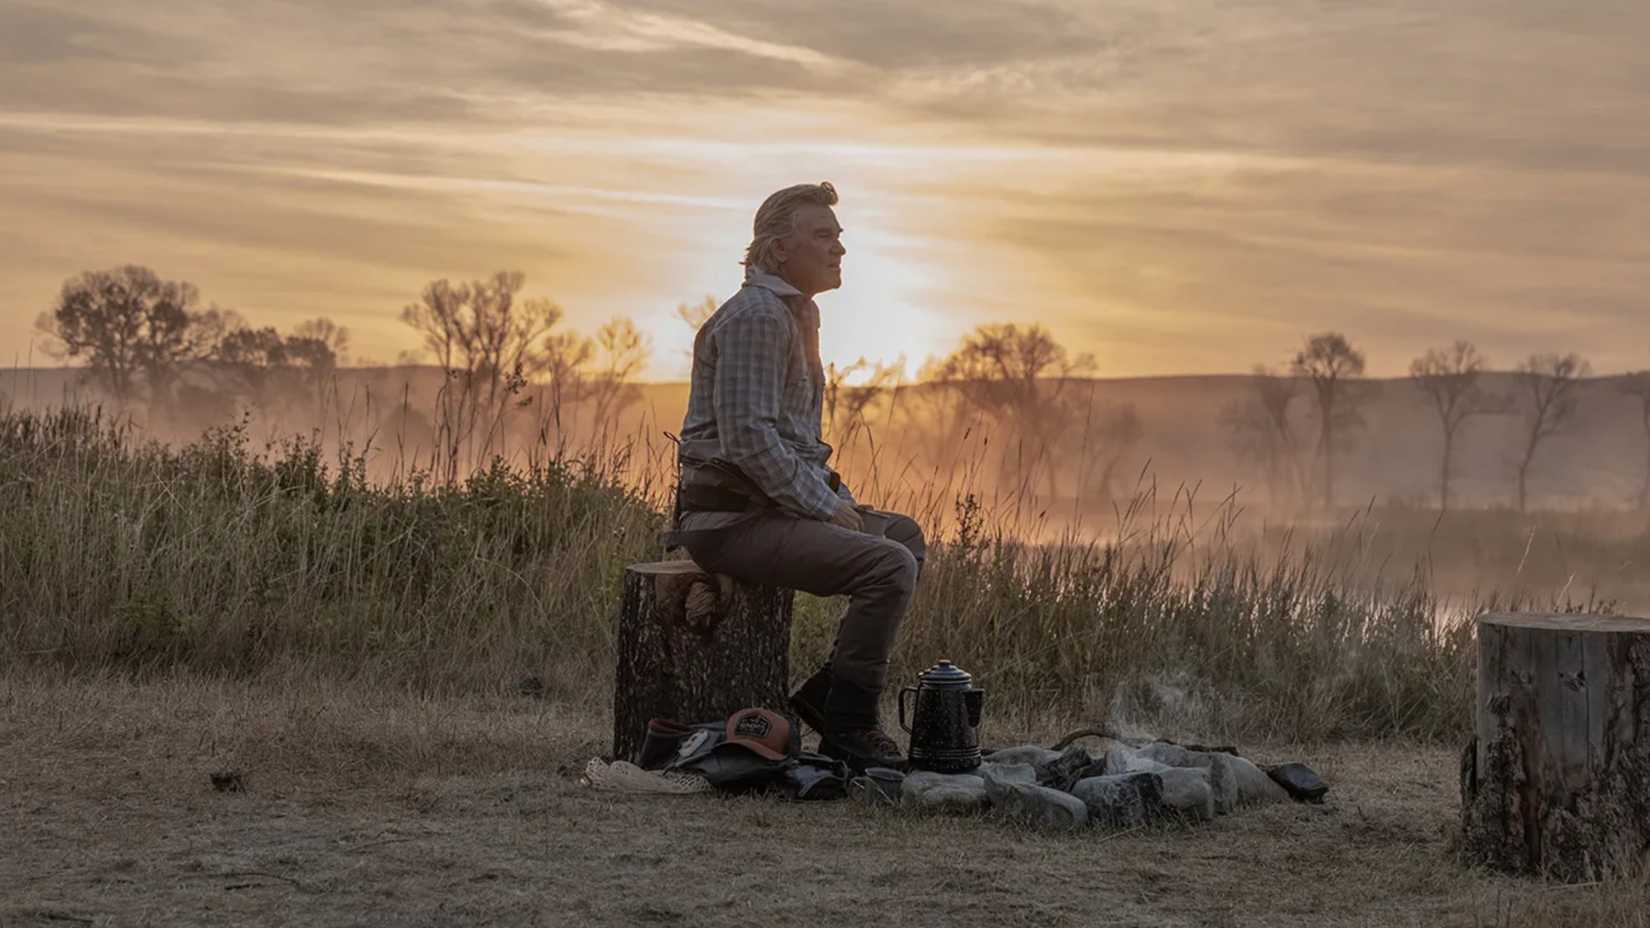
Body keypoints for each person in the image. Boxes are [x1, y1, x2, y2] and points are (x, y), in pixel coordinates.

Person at [663, 181, 924, 771]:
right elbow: (749, 441)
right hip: (729, 520)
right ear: (779, 250)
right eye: (823, 236)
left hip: (770, 510)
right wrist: (824, 508)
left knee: (901, 536)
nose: (839, 250)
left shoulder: (794, 314)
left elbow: (798, 445)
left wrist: (838, 496)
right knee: (888, 564)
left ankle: (829, 694)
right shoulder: (758, 318)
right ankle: (851, 724)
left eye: (838, 237)